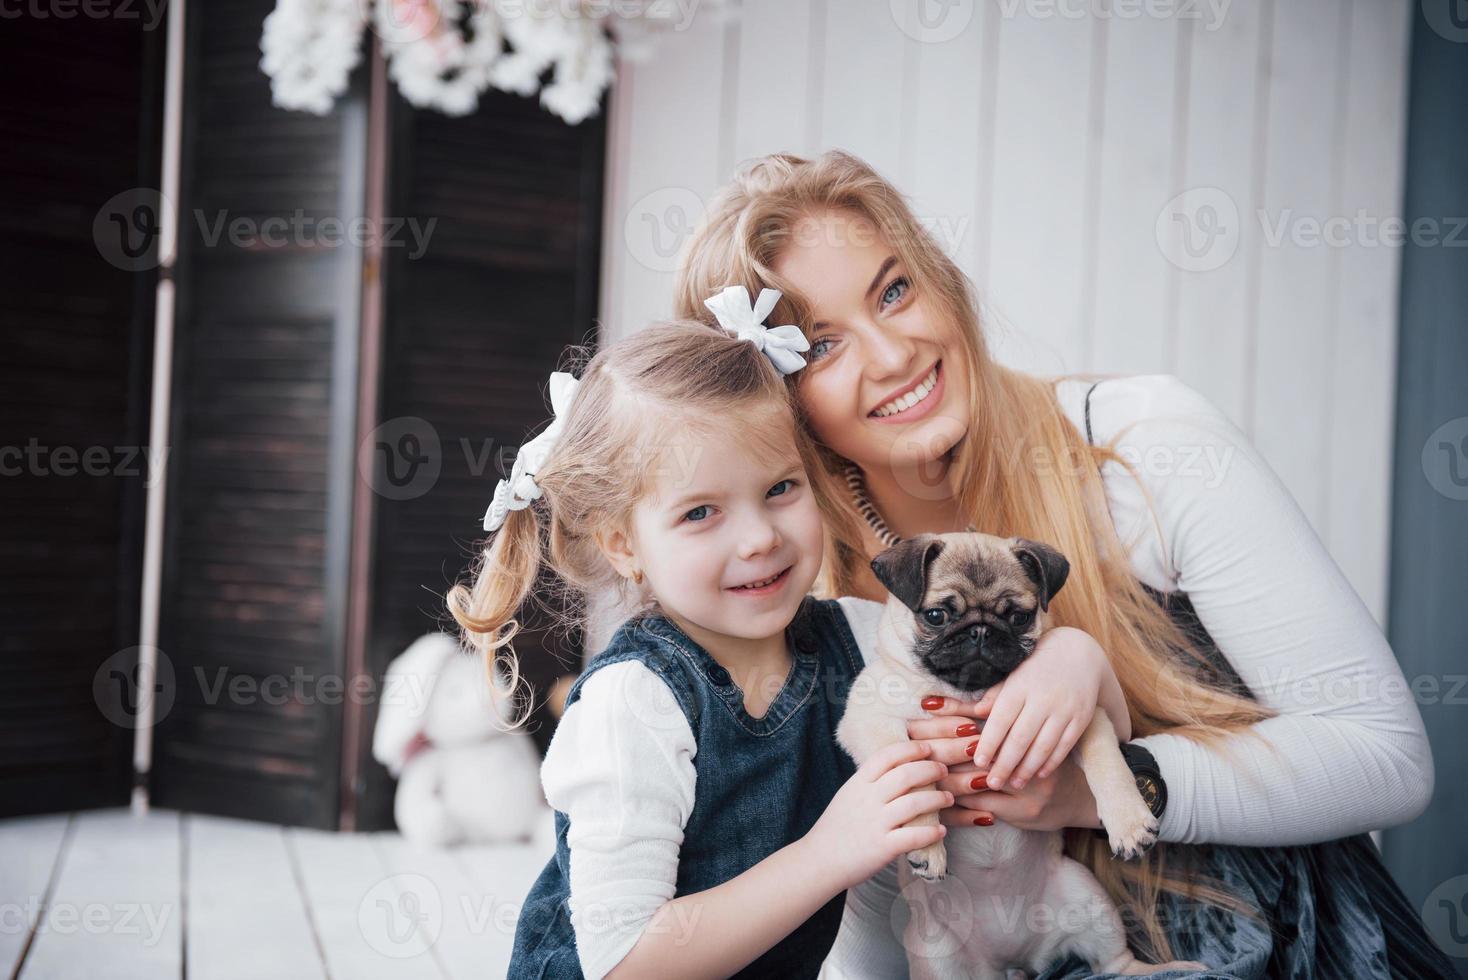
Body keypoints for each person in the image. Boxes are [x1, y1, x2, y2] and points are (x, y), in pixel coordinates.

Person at [670, 149, 1454, 978]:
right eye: (823, 346)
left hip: (1280, 941)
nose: (893, 355)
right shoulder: (804, 588)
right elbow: (875, 901)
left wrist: (1100, 781)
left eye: (894, 291)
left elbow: (1387, 758)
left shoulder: (1142, 450)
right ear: (774, 404)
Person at [449, 301, 970, 979]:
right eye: (701, 512)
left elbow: (974, 694)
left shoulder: (861, 641)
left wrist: (1063, 675)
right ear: (623, 544)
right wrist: (831, 850)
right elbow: (624, 962)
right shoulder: (633, 703)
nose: (759, 538)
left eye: (781, 488)